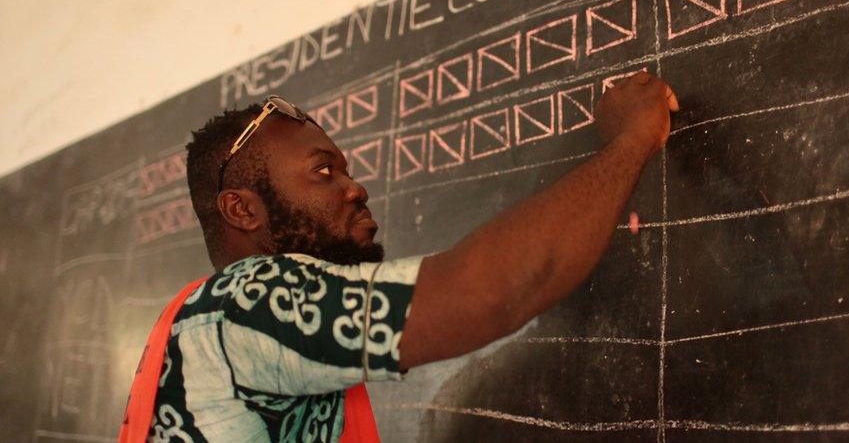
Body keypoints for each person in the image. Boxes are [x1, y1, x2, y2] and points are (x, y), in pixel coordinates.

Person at [137, 70, 677, 441]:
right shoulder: (249, 299)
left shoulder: (207, 320)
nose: (356, 188)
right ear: (242, 210)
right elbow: (493, 291)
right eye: (324, 171)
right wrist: (632, 139)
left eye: (346, 170)